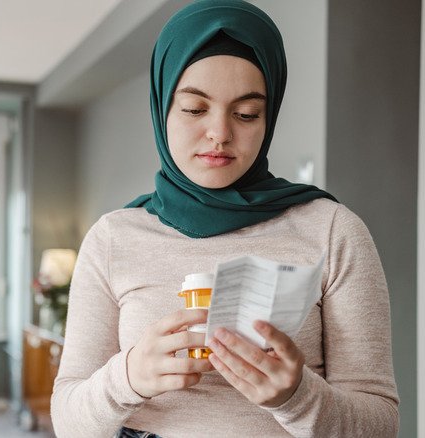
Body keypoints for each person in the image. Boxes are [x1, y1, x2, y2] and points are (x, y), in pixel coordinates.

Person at [50, 1, 399, 436]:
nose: (220, 133)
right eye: (195, 109)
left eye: (247, 113)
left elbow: (380, 425)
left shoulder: (332, 231)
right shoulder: (113, 238)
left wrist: (297, 396)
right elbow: (67, 420)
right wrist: (128, 378)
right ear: (163, 108)